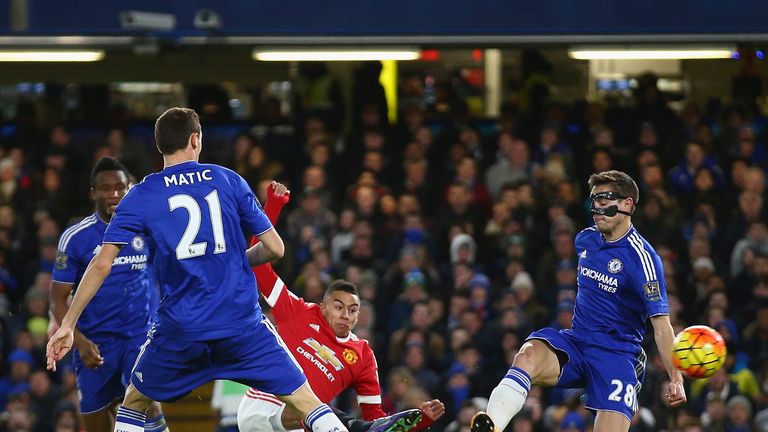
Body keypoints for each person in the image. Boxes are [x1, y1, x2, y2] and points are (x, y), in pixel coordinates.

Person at [46, 107, 349, 432]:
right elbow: (276, 248)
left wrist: (68, 324)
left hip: (180, 330)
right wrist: (232, 261)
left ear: (159, 145)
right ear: (195, 139)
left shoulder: (142, 194)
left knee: (134, 401)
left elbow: (101, 263)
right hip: (241, 325)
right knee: (305, 399)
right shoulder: (228, 179)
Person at [471, 170, 686, 432]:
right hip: (578, 341)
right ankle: (492, 426)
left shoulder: (643, 259)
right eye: (594, 201)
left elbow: (662, 326)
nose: (597, 208)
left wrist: (675, 376)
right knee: (527, 355)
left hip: (617, 355)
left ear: (628, 204)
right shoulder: (585, 240)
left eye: (605, 201)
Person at [238, 182, 445, 432]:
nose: (346, 315)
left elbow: (376, 420)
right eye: (338, 307)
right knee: (315, 409)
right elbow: (258, 263)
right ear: (323, 305)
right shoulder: (298, 310)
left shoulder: (362, 356)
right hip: (263, 408)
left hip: (309, 423)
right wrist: (273, 206)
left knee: (336, 420)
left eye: (353, 310)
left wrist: (418, 423)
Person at [50, 156, 167, 432]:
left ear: (130, 189)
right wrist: (79, 341)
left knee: (148, 406)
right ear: (94, 192)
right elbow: (57, 297)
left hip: (138, 337)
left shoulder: (146, 230)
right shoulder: (75, 237)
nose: (114, 193)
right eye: (106, 188)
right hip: (95, 345)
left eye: (120, 187)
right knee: (96, 425)